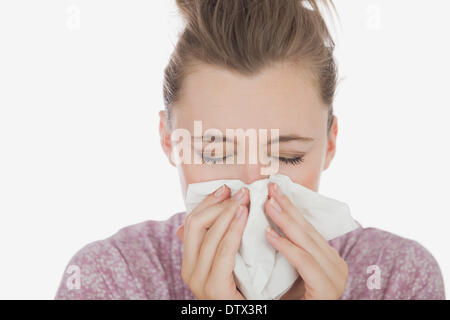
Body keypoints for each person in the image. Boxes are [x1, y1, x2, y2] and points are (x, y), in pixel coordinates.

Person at [55, 0, 445, 299]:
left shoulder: (396, 275)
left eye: (288, 156)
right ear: (169, 140)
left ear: (329, 143)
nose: (252, 185)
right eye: (215, 154)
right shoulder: (111, 276)